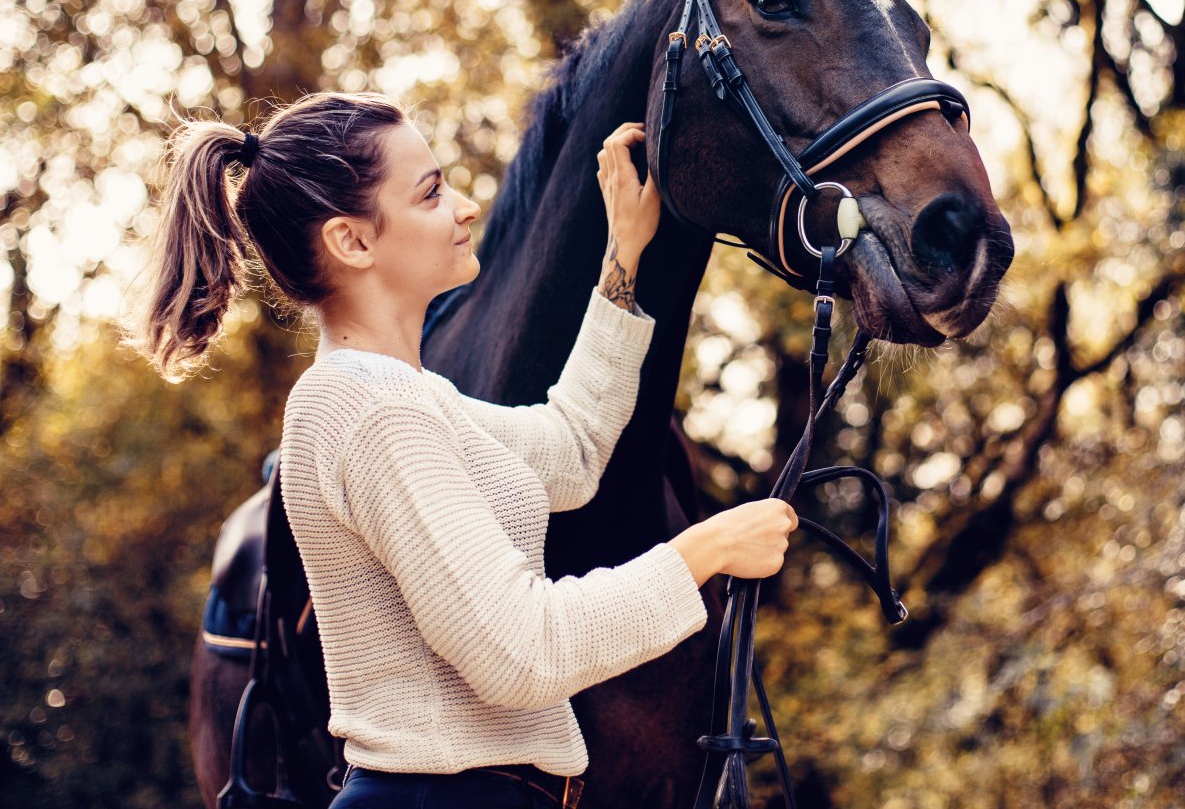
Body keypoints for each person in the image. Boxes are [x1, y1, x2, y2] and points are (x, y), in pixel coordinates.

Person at [132, 90, 798, 808]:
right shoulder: (367, 410)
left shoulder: (413, 398)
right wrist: (705, 553)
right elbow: (522, 652)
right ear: (351, 241)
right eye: (430, 193)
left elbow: (572, 451)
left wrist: (622, 257)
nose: (465, 207)